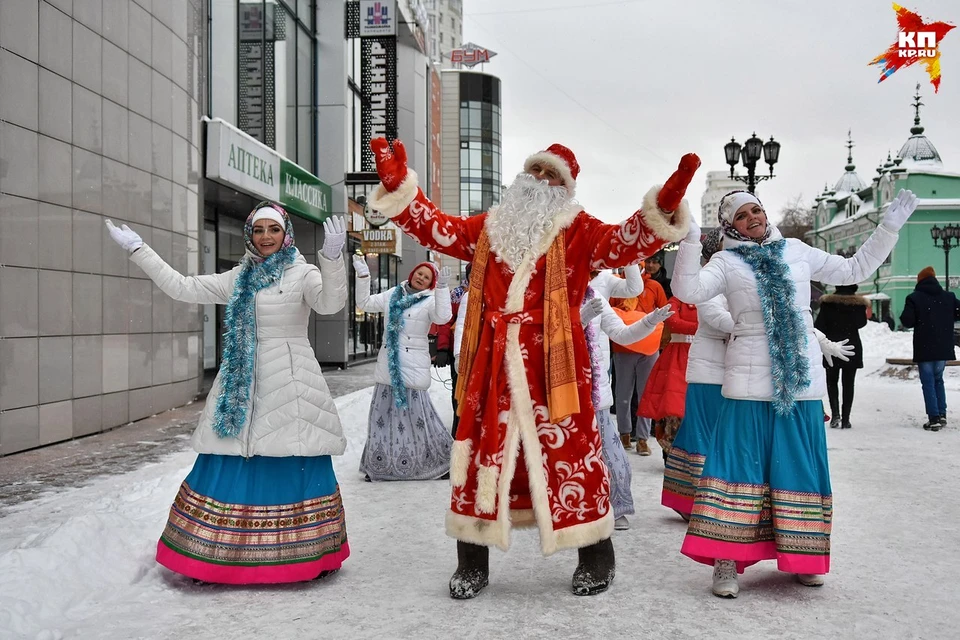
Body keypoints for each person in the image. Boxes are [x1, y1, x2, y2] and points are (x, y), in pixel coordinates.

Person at [366, 136, 699, 598]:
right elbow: (438, 229)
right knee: (483, 454)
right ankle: (472, 561)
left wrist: (662, 206)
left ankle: (596, 554)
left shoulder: (579, 229)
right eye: (536, 171)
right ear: (523, 177)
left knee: (572, 453)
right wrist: (401, 187)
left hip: (555, 364)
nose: (541, 180)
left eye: (553, 175)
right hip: (493, 362)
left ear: (566, 188)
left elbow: (624, 242)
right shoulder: (490, 227)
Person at [672, 188, 917, 598]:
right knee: (736, 470)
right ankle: (726, 562)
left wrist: (888, 228)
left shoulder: (798, 251)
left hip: (799, 383)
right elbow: (688, 291)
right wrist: (690, 239)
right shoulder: (726, 262)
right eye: (743, 214)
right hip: (747, 384)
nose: (754, 217)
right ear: (731, 225)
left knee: (799, 468)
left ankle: (802, 557)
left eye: (757, 209)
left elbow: (854, 266)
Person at [104, 205, 350, 584]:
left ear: (286, 234)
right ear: (249, 235)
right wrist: (139, 249)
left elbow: (330, 303)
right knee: (230, 458)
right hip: (240, 380)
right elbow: (182, 286)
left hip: (291, 380)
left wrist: (332, 259)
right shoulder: (238, 277)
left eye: (274, 229)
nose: (266, 236)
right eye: (259, 230)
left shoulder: (304, 273)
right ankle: (214, 559)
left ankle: (305, 556)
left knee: (293, 457)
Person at [581, 269, 672, 531]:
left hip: (595, 391)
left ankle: (615, 507)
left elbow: (622, 334)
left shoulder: (596, 292)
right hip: (560, 392)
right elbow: (546, 333)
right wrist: (580, 318)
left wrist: (651, 321)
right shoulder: (549, 291)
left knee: (614, 458)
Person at [355, 258, 454, 480]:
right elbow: (365, 303)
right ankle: (379, 466)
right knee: (382, 419)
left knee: (418, 419)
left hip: (413, 367)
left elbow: (443, 317)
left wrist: (442, 289)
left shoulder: (429, 300)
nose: (421, 278)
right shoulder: (393, 294)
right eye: (419, 273)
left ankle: (436, 462)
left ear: (431, 283)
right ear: (412, 273)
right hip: (388, 367)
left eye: (427, 277)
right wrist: (363, 277)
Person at [611, 270, 668, 456]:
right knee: (622, 394)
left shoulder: (654, 287)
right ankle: (624, 434)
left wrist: (662, 341)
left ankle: (643, 438)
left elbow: (665, 312)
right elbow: (609, 314)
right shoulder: (617, 285)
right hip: (623, 348)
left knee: (646, 394)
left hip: (649, 348)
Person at [900, 266, 960, 431]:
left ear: (920, 281)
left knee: (928, 381)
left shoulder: (914, 298)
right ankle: (941, 414)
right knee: (938, 379)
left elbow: (907, 321)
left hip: (925, 346)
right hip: (943, 346)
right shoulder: (949, 297)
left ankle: (934, 418)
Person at [638, 295, 698, 458]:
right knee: (671, 406)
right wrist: (703, 328)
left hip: (701, 357)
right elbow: (673, 322)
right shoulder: (676, 301)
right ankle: (671, 450)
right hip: (676, 358)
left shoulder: (711, 299)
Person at [814, 284, 870, 429]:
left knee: (832, 382)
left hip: (831, 346)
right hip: (852, 346)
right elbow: (861, 323)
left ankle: (835, 415)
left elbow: (819, 325)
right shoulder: (858, 305)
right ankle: (846, 418)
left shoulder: (828, 303)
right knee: (848, 383)